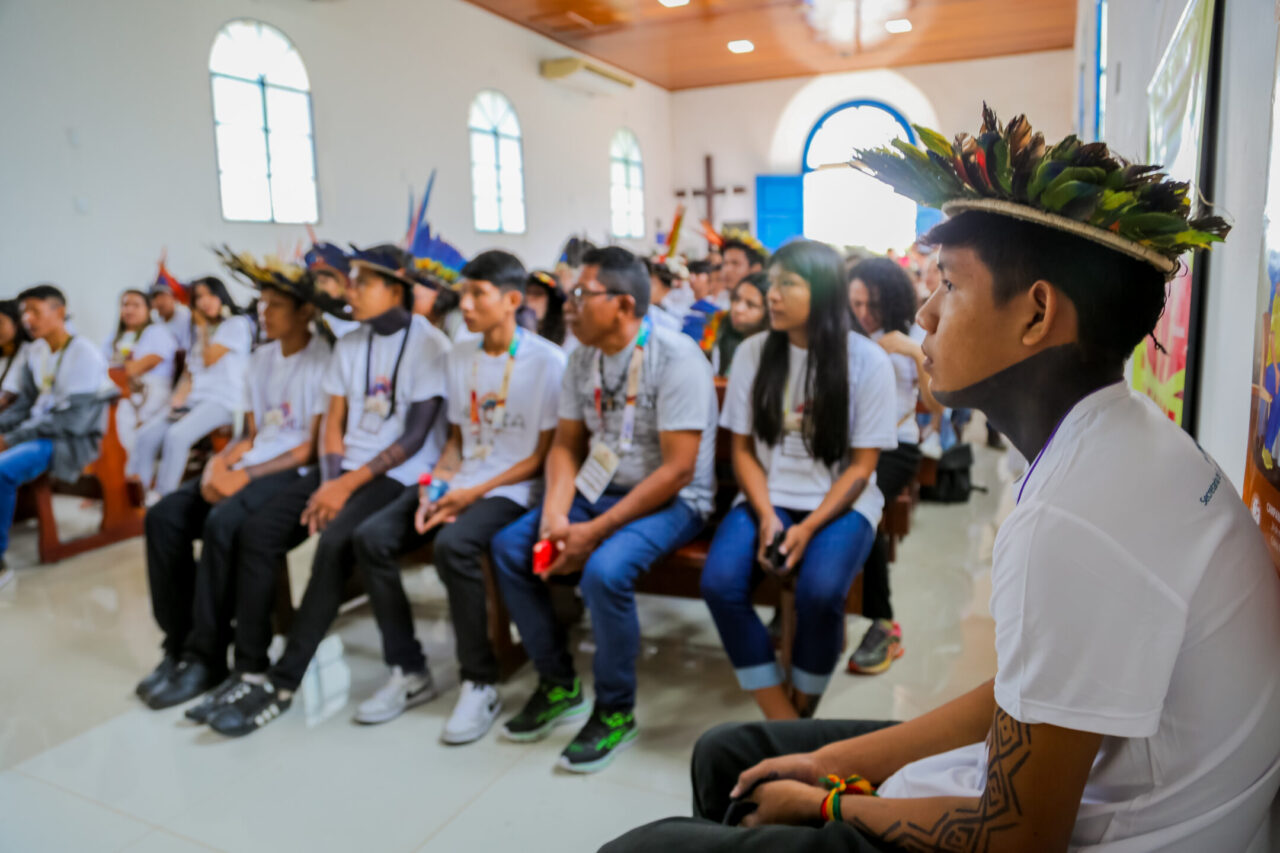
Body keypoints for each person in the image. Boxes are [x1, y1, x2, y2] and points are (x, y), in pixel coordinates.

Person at [605, 108, 1280, 853]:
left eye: (949, 284)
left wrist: (831, 804)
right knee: (729, 753)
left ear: (1037, 314)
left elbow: (1015, 839)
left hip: (1097, 836)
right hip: (1064, 792)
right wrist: (834, 762)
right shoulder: (1123, 433)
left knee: (644, 846)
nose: (924, 312)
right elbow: (1025, 691)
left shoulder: (1071, 521)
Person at [203, 244, 451, 737]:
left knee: (337, 542)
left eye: (363, 282)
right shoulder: (351, 343)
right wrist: (333, 480)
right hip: (344, 469)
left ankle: (285, 682)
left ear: (396, 289)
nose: (350, 290)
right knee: (261, 532)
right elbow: (333, 422)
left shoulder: (430, 345)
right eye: (351, 280)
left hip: (401, 474)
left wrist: (343, 487)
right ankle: (250, 668)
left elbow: (413, 439)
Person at [490, 245, 717, 773]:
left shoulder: (676, 357)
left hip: (675, 500)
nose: (567, 304)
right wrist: (555, 515)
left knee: (604, 572)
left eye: (580, 294)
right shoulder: (581, 357)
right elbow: (566, 445)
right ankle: (558, 683)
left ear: (623, 304)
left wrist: (593, 532)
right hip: (600, 489)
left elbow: (678, 470)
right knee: (510, 547)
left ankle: (615, 710)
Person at [344, 250, 566, 743]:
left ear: (512, 300)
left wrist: (470, 494)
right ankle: (409, 670)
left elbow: (541, 456)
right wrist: (437, 488)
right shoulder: (459, 356)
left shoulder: (547, 362)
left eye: (477, 294)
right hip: (464, 478)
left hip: (513, 487)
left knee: (453, 546)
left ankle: (479, 680)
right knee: (372, 537)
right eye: (463, 293)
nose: (464, 305)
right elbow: (456, 442)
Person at [700, 240, 896, 721]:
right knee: (719, 583)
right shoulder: (754, 353)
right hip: (768, 496)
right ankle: (782, 716)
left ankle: (803, 705)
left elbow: (861, 467)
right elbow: (743, 450)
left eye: (788, 283)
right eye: (772, 282)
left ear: (824, 291)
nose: (772, 294)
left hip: (842, 502)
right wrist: (768, 515)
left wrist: (807, 528)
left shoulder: (866, 360)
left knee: (820, 593)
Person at [135, 266, 331, 711]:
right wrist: (218, 466)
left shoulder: (323, 361)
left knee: (224, 523)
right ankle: (179, 644)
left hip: (292, 470)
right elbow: (250, 434)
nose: (264, 312)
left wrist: (246, 475)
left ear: (305, 311)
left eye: (275, 305)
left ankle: (209, 656)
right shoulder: (261, 359)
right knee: (163, 517)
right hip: (253, 458)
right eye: (261, 303)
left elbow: (309, 447)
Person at [845, 257, 943, 674]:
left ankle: (883, 622)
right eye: (857, 304)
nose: (865, 314)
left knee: (860, 507)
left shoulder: (916, 335)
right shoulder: (845, 335)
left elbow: (936, 405)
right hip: (850, 445)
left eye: (874, 305)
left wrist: (915, 354)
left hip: (896, 445)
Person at [0, 285, 110, 579]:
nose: (27, 319)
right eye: (24, 313)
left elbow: (71, 420)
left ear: (59, 312)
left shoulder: (84, 353)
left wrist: (10, 439)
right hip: (36, 433)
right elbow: (24, 404)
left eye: (35, 311)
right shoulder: (35, 351)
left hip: (68, 441)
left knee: (2, 471)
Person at [129, 277, 254, 502]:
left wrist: (202, 327)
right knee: (146, 435)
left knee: (176, 436)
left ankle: (162, 497)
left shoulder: (235, 325)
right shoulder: (196, 332)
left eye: (210, 295)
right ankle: (137, 495)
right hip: (194, 399)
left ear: (221, 296)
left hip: (223, 400)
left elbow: (209, 358)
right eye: (199, 297)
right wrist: (177, 398)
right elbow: (189, 372)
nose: (205, 301)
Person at [105, 289, 179, 458]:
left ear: (148, 309)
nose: (129, 310)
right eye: (125, 305)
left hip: (149, 392)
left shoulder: (156, 332)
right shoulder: (113, 338)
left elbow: (140, 366)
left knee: (125, 417)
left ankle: (133, 466)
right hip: (119, 391)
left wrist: (118, 371)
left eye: (136, 305)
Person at [705, 273, 769, 377]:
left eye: (750, 304)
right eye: (736, 299)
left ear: (768, 312)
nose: (738, 309)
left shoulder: (771, 350)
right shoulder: (722, 330)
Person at [304, 240, 361, 339]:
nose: (319, 288)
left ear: (343, 280)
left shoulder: (359, 312)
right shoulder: (318, 315)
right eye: (314, 283)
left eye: (323, 281)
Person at [0, 299, 33, 408]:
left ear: (17, 324)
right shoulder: (4, 357)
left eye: (0, 323)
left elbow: (8, 399)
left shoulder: (29, 352)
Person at [150, 272, 193, 353]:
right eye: (155, 298)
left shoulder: (186, 315)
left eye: (163, 297)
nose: (159, 301)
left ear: (174, 298)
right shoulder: (156, 319)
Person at [524, 270, 568, 347]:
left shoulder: (568, 337)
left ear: (552, 302)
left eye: (537, 293)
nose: (529, 298)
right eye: (527, 292)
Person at [646, 256, 689, 332]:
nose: (647, 286)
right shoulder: (648, 308)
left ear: (666, 289)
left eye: (653, 283)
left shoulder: (668, 318)